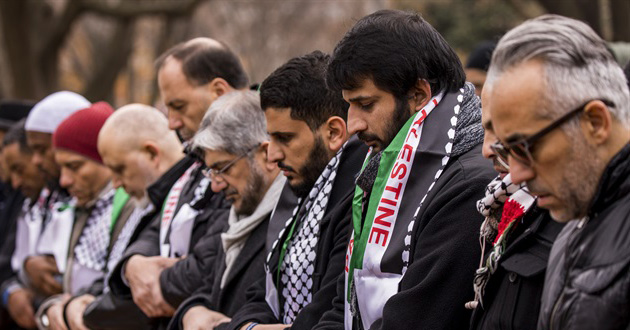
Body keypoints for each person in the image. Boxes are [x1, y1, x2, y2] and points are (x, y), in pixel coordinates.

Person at [315, 9, 496, 330]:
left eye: (366, 104)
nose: (353, 124)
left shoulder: (470, 185)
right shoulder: (379, 168)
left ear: (418, 95)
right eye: (349, 105)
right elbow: (343, 305)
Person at [185, 51, 367, 330]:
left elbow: (330, 311)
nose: (271, 155)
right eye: (270, 137)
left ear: (333, 132)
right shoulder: (301, 189)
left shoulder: (361, 197)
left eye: (284, 138)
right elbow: (260, 294)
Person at [486, 14, 630, 329]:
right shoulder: (574, 227)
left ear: (595, 122)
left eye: (525, 147)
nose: (517, 174)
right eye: (506, 151)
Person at [108, 37, 244, 321]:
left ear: (219, 91)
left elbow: (211, 265)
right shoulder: (193, 163)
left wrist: (159, 284)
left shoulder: (250, 159)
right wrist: (133, 265)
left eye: (179, 106)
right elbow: (153, 228)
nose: (171, 122)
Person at [54, 104, 188, 330]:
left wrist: (86, 312)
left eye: (119, 169)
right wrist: (78, 302)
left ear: (152, 153)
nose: (115, 183)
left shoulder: (187, 196)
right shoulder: (146, 200)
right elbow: (114, 275)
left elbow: (144, 297)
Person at [169, 90, 286, 329]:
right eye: (211, 171)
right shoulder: (240, 214)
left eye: (224, 168)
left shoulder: (291, 219)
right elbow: (211, 289)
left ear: (265, 154)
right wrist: (190, 312)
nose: (215, 183)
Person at [466, 81, 564, 330]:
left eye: (503, 129)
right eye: (484, 127)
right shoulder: (504, 207)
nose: (487, 149)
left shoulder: (565, 214)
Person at [36, 102, 137, 329]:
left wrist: (76, 309)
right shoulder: (84, 205)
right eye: (61, 168)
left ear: (105, 159)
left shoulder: (131, 206)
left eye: (75, 166)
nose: (65, 180)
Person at [0, 120, 47, 329]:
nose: (15, 182)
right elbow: (6, 261)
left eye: (19, 169)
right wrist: (9, 290)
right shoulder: (27, 200)